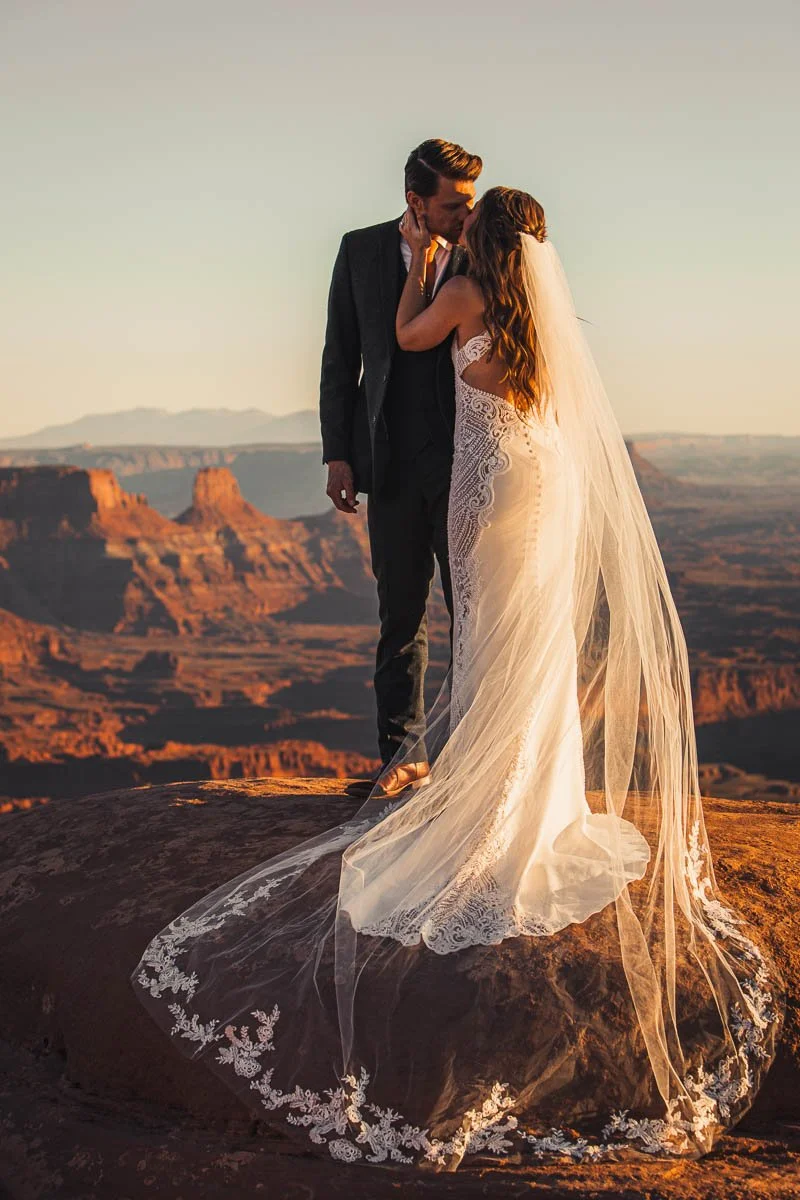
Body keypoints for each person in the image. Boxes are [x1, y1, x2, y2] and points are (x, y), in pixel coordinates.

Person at [130, 185, 783, 1172]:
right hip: (544, 482)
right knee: (533, 644)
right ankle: (540, 800)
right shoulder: (540, 311)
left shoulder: (465, 296)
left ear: (475, 238)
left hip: (493, 489)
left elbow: (402, 333)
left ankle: (492, 807)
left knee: (487, 635)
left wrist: (427, 268)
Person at [319, 138, 482, 789]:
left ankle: (474, 761)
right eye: (453, 203)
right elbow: (341, 356)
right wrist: (337, 453)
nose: (466, 215)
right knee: (401, 616)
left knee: (474, 615)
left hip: (466, 464)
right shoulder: (360, 250)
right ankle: (400, 759)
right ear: (415, 200)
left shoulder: (483, 254)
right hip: (387, 465)